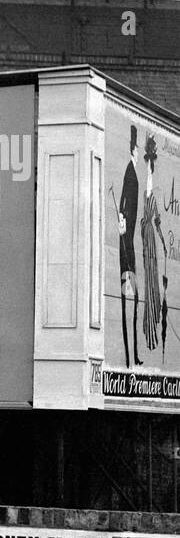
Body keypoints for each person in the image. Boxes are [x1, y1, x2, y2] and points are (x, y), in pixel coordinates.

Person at [138, 133, 167, 355]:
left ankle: (153, 328)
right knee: (150, 282)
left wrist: (164, 244)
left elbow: (157, 223)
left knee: (154, 283)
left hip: (153, 245)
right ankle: (149, 330)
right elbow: (148, 183)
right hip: (148, 243)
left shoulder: (153, 198)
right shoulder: (148, 194)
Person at [118, 126, 142, 367]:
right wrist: (123, 223)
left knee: (134, 299)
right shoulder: (129, 173)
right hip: (127, 250)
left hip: (130, 247)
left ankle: (132, 355)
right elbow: (124, 210)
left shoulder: (132, 172)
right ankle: (128, 355)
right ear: (133, 149)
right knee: (130, 297)